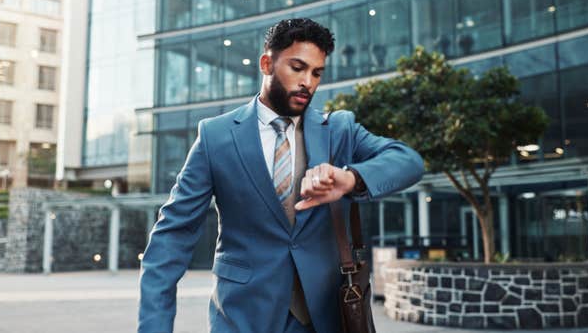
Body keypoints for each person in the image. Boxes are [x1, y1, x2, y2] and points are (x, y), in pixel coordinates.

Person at [138, 18, 424, 333]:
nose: (308, 82)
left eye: (316, 73)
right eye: (297, 68)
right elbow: (171, 237)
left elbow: (407, 161)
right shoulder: (215, 137)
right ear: (266, 63)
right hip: (244, 315)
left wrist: (351, 179)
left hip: (325, 316)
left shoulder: (339, 130)